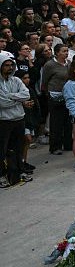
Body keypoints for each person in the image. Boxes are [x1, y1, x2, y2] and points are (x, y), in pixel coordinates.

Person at [0, 55, 32, 186]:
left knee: (18, 148)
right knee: (2, 150)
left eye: (11, 65)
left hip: (19, 119)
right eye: (6, 65)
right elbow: (2, 103)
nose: (10, 68)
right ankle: (2, 175)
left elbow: (26, 94)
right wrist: (18, 100)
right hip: (4, 121)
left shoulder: (17, 80)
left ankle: (19, 171)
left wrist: (10, 96)